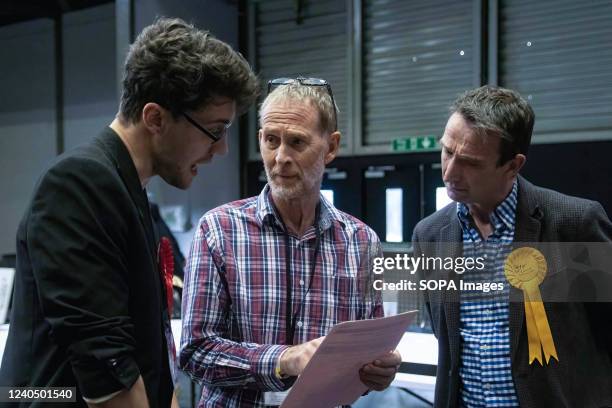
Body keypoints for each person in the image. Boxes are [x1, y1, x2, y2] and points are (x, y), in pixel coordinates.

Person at [0, 17, 258, 407]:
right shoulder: (79, 184)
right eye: (215, 130)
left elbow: (148, 348)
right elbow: (108, 369)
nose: (220, 149)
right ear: (155, 118)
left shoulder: (130, 191)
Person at [180, 77, 401, 407]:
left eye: (297, 142)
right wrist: (283, 360)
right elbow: (196, 351)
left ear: (331, 147)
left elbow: (366, 357)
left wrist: (377, 371)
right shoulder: (219, 231)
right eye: (271, 140)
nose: (280, 156)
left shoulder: (360, 242)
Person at [412, 85, 612, 407]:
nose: (449, 172)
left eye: (470, 163)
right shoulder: (430, 235)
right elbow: (445, 337)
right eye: (447, 151)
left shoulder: (574, 223)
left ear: (513, 166)